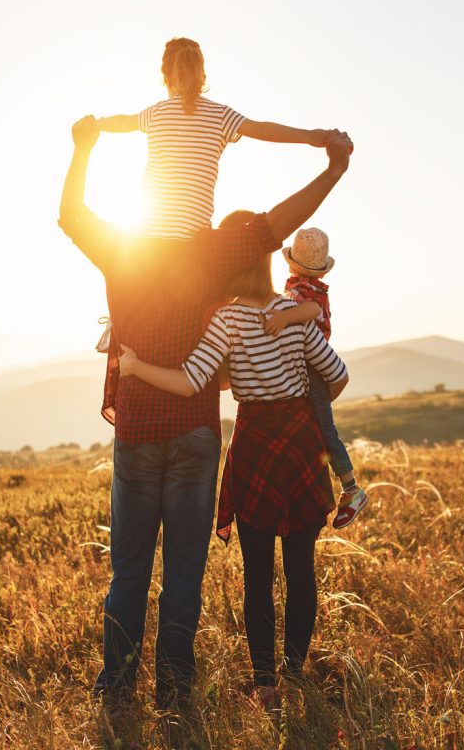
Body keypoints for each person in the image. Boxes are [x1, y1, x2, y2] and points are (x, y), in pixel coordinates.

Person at [58, 113, 352, 710]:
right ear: (200, 180)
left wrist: (83, 149)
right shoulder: (215, 250)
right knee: (185, 572)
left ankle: (115, 689)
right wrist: (333, 167)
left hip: (137, 430)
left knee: (130, 571)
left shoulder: (122, 248)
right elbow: (278, 225)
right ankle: (173, 690)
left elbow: (71, 214)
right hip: (194, 433)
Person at [118, 247, 349, 704]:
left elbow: (190, 381)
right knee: (302, 570)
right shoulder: (293, 312)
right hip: (301, 444)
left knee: (258, 573)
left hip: (255, 446)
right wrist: (304, 400)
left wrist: (133, 366)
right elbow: (338, 374)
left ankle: (265, 684)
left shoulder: (226, 319)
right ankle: (295, 672)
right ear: (267, 264)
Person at [96, 37, 337, 241]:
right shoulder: (221, 115)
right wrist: (310, 136)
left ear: (166, 76)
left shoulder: (156, 112)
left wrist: (96, 124)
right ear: (202, 74)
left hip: (146, 235)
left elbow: (123, 121)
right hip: (193, 239)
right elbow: (262, 129)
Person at [262, 227, 368, 528]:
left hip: (313, 367)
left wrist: (283, 317)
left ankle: (351, 489)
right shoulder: (306, 285)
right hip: (307, 366)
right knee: (312, 427)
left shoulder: (307, 292)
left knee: (324, 429)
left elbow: (309, 311)